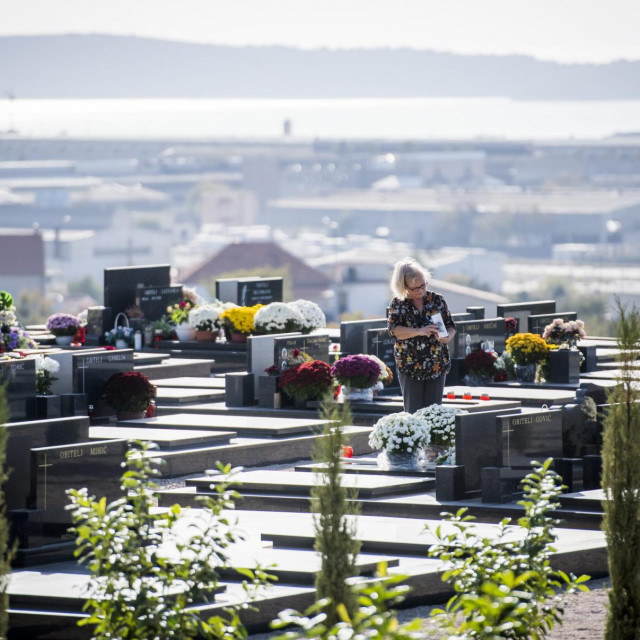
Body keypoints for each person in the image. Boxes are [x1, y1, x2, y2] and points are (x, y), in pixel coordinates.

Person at [388, 257, 456, 412]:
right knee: (414, 413)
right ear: (404, 287)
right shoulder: (398, 303)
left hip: (436, 363)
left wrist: (447, 337)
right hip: (410, 365)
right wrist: (420, 331)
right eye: (415, 288)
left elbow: (451, 326)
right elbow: (394, 331)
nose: (420, 290)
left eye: (423, 285)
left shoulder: (437, 300)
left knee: (434, 413)